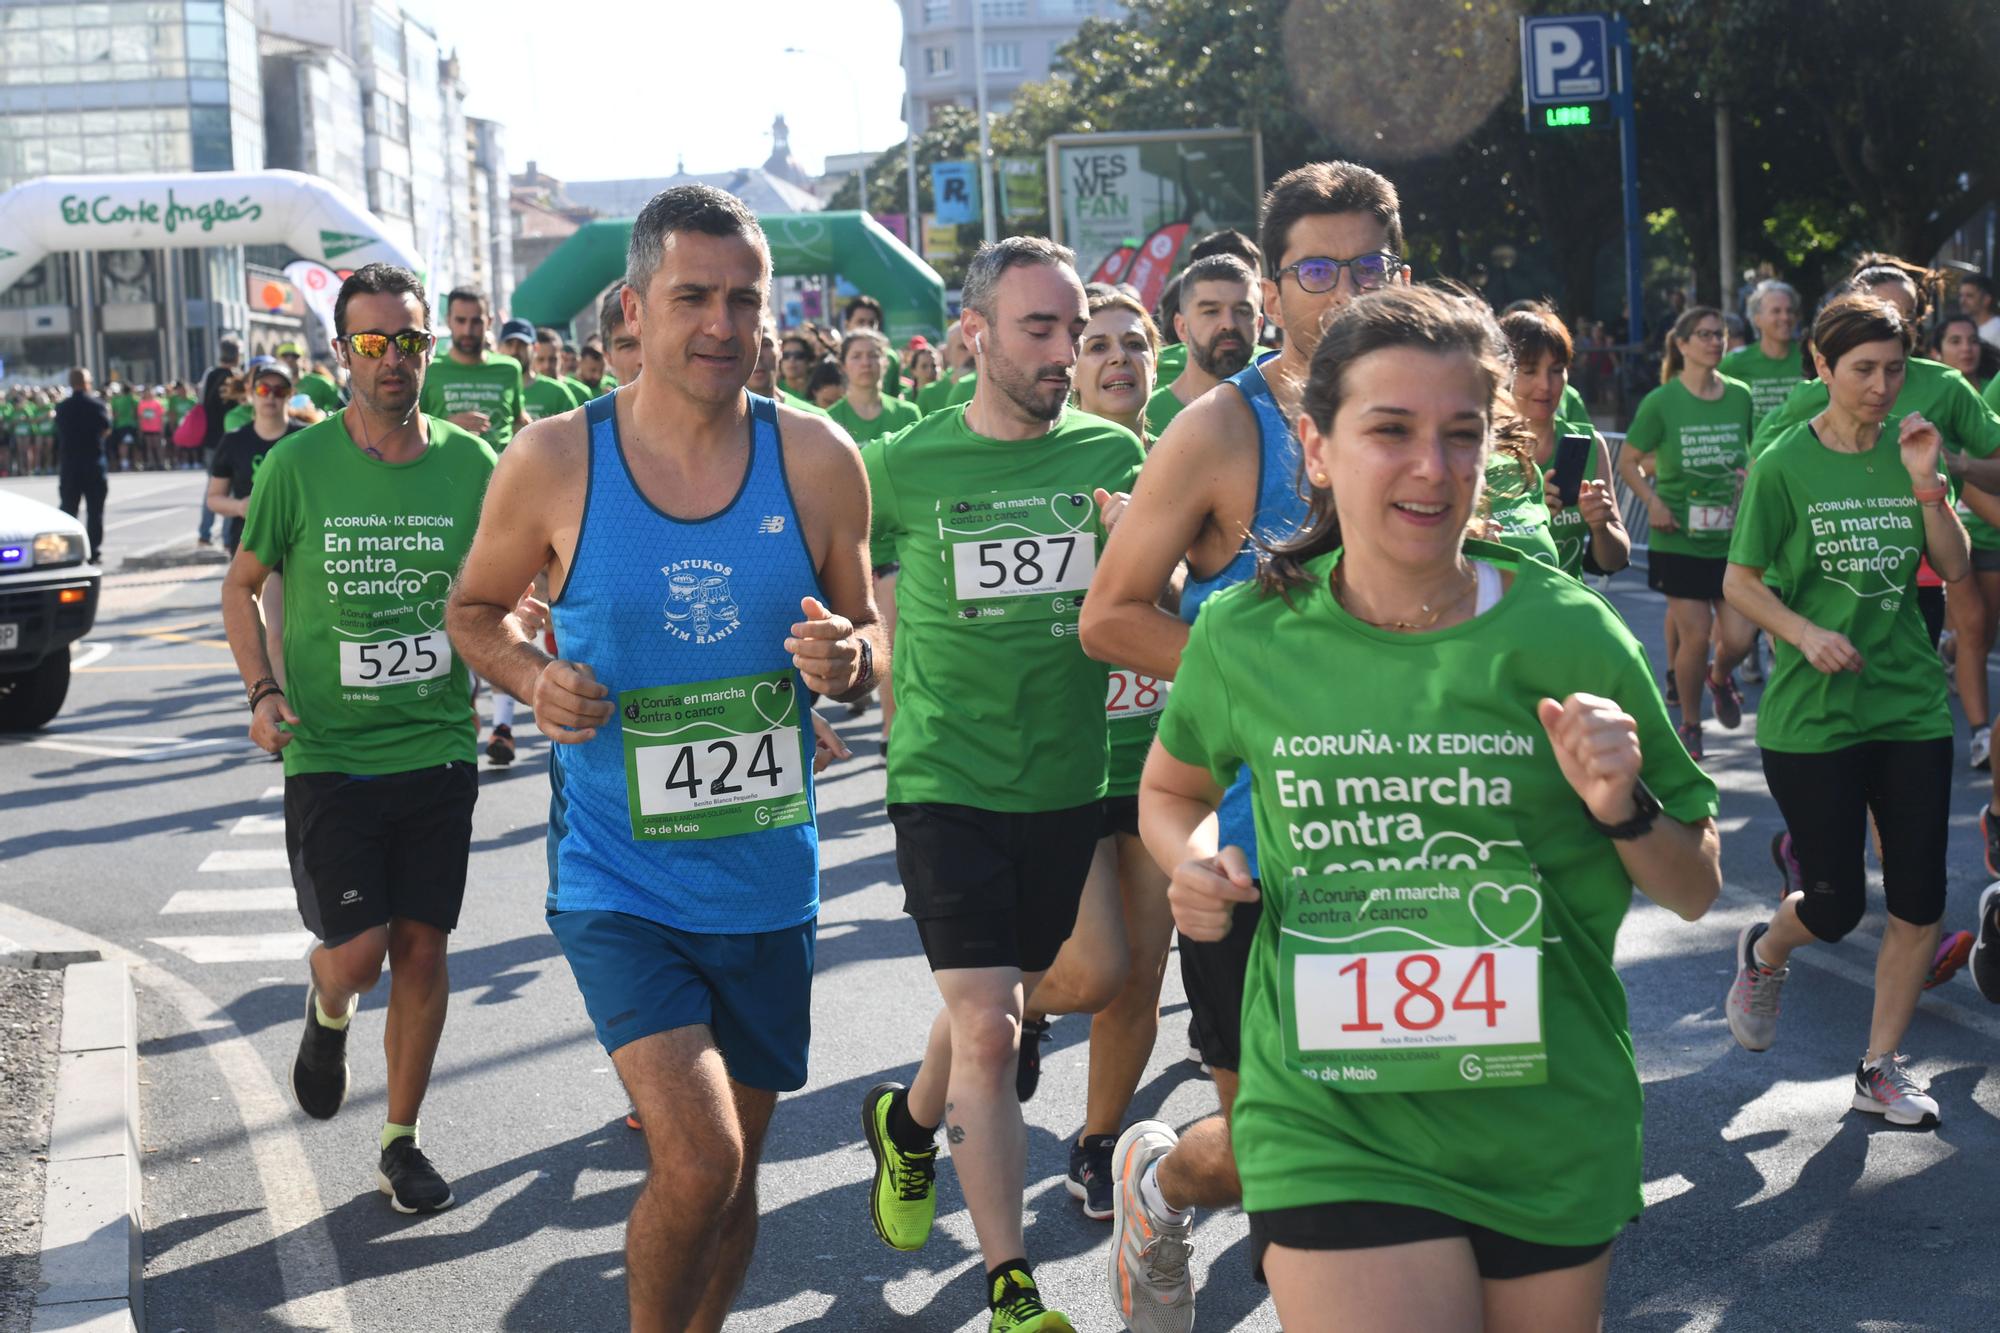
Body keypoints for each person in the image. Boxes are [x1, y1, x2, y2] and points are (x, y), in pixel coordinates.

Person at [1144, 283, 1719, 1332]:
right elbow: (1172, 785)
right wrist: (1188, 857)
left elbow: (1694, 884)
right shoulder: (1245, 635)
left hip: (1543, 1114)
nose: (1430, 468)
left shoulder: (1567, 632)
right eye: (1390, 431)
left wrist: (1621, 805)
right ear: (1315, 448)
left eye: (1461, 435)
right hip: (1332, 1112)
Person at [447, 184, 878, 1332]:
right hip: (618, 877)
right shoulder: (552, 459)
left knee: (732, 1179)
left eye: (743, 299)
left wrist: (848, 663)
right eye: (693, 297)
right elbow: (475, 609)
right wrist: (534, 678)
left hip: (767, 877)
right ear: (633, 309)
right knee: (696, 1160)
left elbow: (868, 640)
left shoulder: (820, 459)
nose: (722, 325)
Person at [1079, 160, 1407, 1332]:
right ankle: (1161, 1179)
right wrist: (1266, 690)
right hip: (1256, 842)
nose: (1342, 290)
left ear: (1398, 271)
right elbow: (1109, 614)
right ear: (1274, 289)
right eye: (1315, 270)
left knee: (1407, 1132)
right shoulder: (1221, 427)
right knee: (1285, 1151)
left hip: (1419, 830)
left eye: (1366, 265)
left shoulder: (1439, 412)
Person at [857, 236, 1143, 1333]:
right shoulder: (901, 465)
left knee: (1043, 989)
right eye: (1041, 329)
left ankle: (909, 1123)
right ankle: (1011, 1288)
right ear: (973, 334)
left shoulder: (1112, 454)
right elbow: (851, 583)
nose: (1064, 353)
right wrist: (856, 654)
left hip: (1065, 775)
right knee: (988, 1025)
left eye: (1074, 331)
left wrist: (1143, 553)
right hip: (943, 776)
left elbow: (1147, 596)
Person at [220, 263, 496, 1214]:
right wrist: (262, 691)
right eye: (372, 343)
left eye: (407, 341)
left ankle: (401, 1139)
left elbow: (512, 583)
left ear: (428, 348)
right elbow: (241, 583)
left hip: (437, 748)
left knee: (423, 948)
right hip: (330, 751)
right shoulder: (295, 467)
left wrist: (525, 630)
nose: (393, 359)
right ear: (342, 354)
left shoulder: (472, 463)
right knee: (359, 951)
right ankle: (326, 1003)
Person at [1721, 294, 1971, 1126]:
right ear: (1821, 369)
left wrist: (1929, 482)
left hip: (1905, 702)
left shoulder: (1909, 450)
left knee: (1919, 898)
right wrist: (1803, 631)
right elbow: (1741, 580)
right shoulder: (1788, 461)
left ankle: (1879, 1068)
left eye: (1894, 369)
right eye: (1862, 369)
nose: (1880, 385)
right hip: (1813, 712)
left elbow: (1956, 566)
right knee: (1833, 907)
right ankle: (1766, 948)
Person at [1010, 288, 1179, 1223]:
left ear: (1156, 358)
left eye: (1133, 344)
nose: (1117, 359)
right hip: (1067, 760)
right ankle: (1026, 1008)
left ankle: (1097, 1137)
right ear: (1072, 364)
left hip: (1161, 757)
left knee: (1144, 971)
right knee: (1090, 970)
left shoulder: (1195, 461)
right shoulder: (1038, 466)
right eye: (1097, 345)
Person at [1616, 306, 1756, 759]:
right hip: (1677, 536)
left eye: (1721, 334)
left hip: (1731, 538)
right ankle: (1692, 724)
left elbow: (1749, 455)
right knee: (1695, 634)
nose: (1715, 342)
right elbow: (1628, 460)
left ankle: (1720, 677)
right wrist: (1653, 502)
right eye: (1704, 334)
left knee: (1738, 637)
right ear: (1682, 344)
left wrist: (1748, 480)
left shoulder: (1740, 395)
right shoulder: (1661, 402)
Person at [1499, 307, 1631, 580]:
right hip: (1502, 613)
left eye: (1556, 370)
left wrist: (1601, 525)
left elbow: (1614, 561)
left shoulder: (1591, 445)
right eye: (1529, 371)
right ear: (1502, 372)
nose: (1545, 385)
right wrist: (1532, 517)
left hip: (1565, 611)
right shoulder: (1482, 451)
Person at [1143, 254, 1262, 438]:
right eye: (1211, 311)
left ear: (1259, 326)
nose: (1228, 324)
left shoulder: (1281, 411)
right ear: (1181, 327)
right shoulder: (1145, 419)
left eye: (1242, 311)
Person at [207, 356, 305, 556]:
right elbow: (214, 498)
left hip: (298, 541)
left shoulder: (307, 439)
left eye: (279, 391)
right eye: (263, 389)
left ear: (290, 394)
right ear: (251, 393)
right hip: (249, 541)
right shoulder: (233, 441)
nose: (270, 397)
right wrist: (240, 507)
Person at [419, 287, 527, 452]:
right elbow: (412, 427)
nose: (467, 331)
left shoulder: (510, 369)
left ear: (489, 322)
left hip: (501, 473)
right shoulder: (430, 368)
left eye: (476, 322)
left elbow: (519, 421)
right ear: (448, 320)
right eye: (461, 321)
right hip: (447, 469)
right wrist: (446, 426)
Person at [1720, 279, 1803, 430]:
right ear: (1757, 319)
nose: (1785, 317)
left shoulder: (1810, 359)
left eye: (1790, 311)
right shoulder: (1736, 362)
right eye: (1776, 311)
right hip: (1756, 452)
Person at [828, 328, 922, 446]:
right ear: (843, 366)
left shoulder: (907, 414)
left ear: (885, 363)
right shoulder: (830, 419)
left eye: (873, 355)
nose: (866, 363)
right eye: (856, 356)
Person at [54, 367, 112, 559]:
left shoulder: (62, 407)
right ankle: (93, 550)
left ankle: (67, 550)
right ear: (87, 383)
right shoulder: (97, 405)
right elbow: (106, 429)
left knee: (69, 509)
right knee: (95, 511)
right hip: (93, 462)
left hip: (70, 464)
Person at [198, 336, 242, 545]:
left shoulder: (209, 375)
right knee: (231, 491)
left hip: (209, 439)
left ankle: (204, 534)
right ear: (237, 355)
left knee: (212, 489)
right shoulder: (235, 379)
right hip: (228, 440)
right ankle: (227, 537)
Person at [505, 318, 580, 423]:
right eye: (541, 359)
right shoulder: (496, 388)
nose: (546, 366)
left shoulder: (561, 392)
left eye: (552, 359)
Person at [843, 295, 905, 396]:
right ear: (847, 325)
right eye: (861, 322)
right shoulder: (836, 356)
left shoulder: (890, 357)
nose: (866, 327)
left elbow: (895, 395)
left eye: (871, 323)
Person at [1960, 272, 2000, 349]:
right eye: (1961, 295)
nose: (1962, 301)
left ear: (1986, 299)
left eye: (1969, 296)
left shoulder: (1997, 329)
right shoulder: (1967, 328)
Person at [137, 386, 166, 470]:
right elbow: (140, 417)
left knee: (157, 446)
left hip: (156, 428)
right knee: (148, 447)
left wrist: (162, 428)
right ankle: (151, 463)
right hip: (146, 428)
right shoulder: (141, 403)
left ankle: (161, 463)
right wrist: (140, 428)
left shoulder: (157, 403)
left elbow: (161, 416)